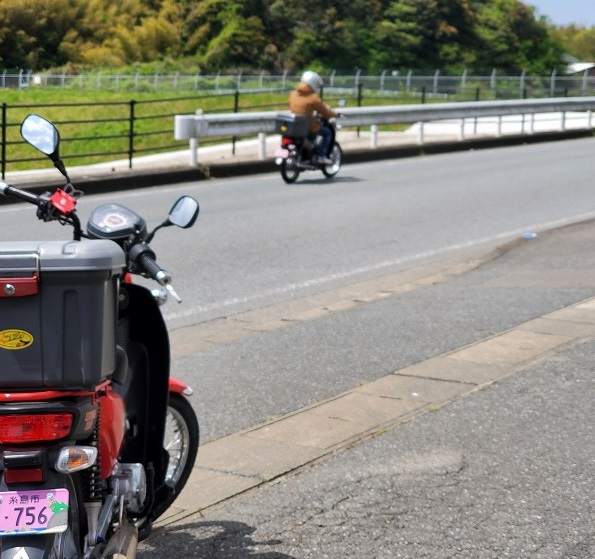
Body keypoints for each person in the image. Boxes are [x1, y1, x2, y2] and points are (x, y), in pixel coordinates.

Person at [288, 70, 339, 165]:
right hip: (308, 125)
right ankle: (322, 156)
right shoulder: (313, 97)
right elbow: (325, 111)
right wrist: (335, 114)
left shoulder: (293, 93)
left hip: (294, 124)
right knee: (327, 133)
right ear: (313, 83)